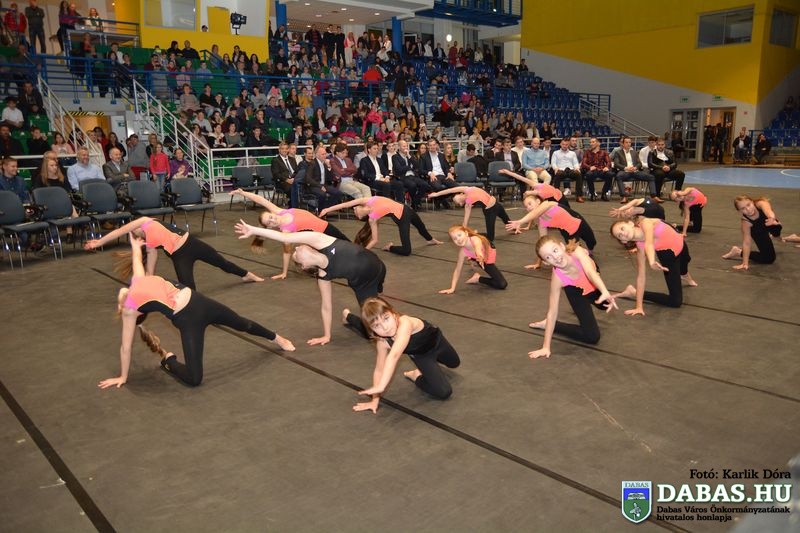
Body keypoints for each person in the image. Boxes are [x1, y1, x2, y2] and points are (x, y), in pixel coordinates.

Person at [100, 236, 293, 389]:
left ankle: (277, 338)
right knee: (194, 379)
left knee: (243, 324)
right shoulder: (130, 310)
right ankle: (169, 361)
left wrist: (135, 245)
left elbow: (136, 259)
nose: (119, 300)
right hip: (187, 320)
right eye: (118, 305)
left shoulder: (138, 280)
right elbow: (125, 347)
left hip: (200, 302)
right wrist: (123, 377)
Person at [233, 223, 386, 345]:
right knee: (374, 331)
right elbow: (326, 306)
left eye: (296, 249)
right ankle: (348, 317)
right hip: (364, 284)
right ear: (304, 265)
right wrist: (326, 335)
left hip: (379, 267)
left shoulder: (321, 241)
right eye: (296, 254)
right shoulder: (324, 275)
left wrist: (254, 230)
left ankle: (378, 291)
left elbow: (284, 237)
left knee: (380, 295)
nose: (297, 247)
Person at [84, 217, 264, 290]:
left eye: (134, 229)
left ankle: (247, 274)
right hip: (180, 256)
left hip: (192, 243)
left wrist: (99, 242)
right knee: (189, 290)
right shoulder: (150, 245)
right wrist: (147, 281)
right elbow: (151, 267)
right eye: (135, 233)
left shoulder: (145, 221)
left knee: (222, 263)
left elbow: (119, 231)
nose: (135, 231)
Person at [353, 297, 461, 413]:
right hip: (421, 356)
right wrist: (375, 399)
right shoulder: (382, 343)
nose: (385, 327)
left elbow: (394, 356)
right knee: (444, 392)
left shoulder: (405, 323)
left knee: (454, 363)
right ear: (372, 330)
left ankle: (431, 367)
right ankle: (416, 375)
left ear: (393, 313)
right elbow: (379, 370)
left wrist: (382, 386)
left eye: (386, 318)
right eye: (376, 326)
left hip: (438, 343)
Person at [527, 236, 617, 359]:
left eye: (555, 250)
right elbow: (552, 311)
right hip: (575, 291)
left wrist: (604, 290)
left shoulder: (576, 252)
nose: (555, 257)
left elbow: (590, 273)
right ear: (546, 263)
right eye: (548, 257)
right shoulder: (558, 279)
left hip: (591, 279)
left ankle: (597, 296)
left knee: (605, 305)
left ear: (562, 246)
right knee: (592, 337)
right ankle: (551, 325)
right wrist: (545, 347)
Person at [229, 189, 349, 280]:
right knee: (342, 253)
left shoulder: (279, 211)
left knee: (348, 244)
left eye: (270, 217)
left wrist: (243, 193)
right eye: (269, 222)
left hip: (327, 226)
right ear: (269, 227)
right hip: (322, 236)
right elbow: (286, 252)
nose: (272, 220)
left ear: (272, 213)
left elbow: (261, 200)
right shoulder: (285, 232)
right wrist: (284, 272)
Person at [610, 217, 697, 314]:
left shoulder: (645, 222)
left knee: (686, 261)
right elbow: (641, 277)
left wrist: (651, 261)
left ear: (630, 223)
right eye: (620, 235)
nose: (623, 233)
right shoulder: (640, 247)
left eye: (622, 228)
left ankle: (684, 275)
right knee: (675, 301)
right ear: (623, 241)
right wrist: (639, 306)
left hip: (680, 243)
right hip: (669, 257)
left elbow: (649, 243)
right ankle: (633, 292)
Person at [320, 196, 442, 256]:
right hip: (401, 218)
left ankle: (430, 240)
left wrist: (327, 209)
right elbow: (375, 240)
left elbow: (345, 204)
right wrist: (362, 252)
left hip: (405, 209)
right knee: (406, 251)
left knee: (421, 226)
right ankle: (390, 247)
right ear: (361, 217)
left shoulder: (367, 200)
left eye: (354, 209)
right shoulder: (372, 218)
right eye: (355, 213)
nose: (354, 209)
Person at [506, 191, 597, 269]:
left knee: (592, 242)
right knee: (576, 255)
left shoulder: (547, 204)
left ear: (538, 201)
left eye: (530, 204)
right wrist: (538, 263)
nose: (528, 208)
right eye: (526, 207)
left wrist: (520, 222)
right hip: (568, 233)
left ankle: (590, 250)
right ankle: (590, 263)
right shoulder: (542, 222)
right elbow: (542, 243)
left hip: (579, 222)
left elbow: (535, 213)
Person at [428, 186, 510, 244]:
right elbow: (465, 220)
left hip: (496, 204)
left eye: (455, 198)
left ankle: (516, 227)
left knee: (508, 222)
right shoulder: (468, 202)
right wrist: (463, 232)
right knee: (490, 237)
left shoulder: (467, 189)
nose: (456, 200)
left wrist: (436, 194)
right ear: (461, 203)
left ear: (460, 193)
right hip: (489, 211)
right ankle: (473, 234)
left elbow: (450, 190)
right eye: (457, 202)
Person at [439, 225, 507, 294]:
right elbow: (457, 270)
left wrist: (480, 257)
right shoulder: (463, 252)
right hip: (482, 260)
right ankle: (478, 278)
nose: (458, 239)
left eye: (459, 235)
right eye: (455, 239)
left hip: (486, 251)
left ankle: (472, 258)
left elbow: (478, 249)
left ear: (466, 233)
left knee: (482, 240)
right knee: (502, 284)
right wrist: (452, 288)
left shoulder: (475, 239)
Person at [722, 195, 782, 269]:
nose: (748, 209)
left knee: (777, 226)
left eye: (748, 205)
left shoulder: (761, 203)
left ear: (752, 202)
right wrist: (745, 263)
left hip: (768, 221)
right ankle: (737, 252)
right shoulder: (746, 222)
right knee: (769, 258)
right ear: (740, 211)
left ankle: (776, 236)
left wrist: (771, 218)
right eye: (743, 208)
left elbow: (768, 211)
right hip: (757, 230)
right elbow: (746, 243)